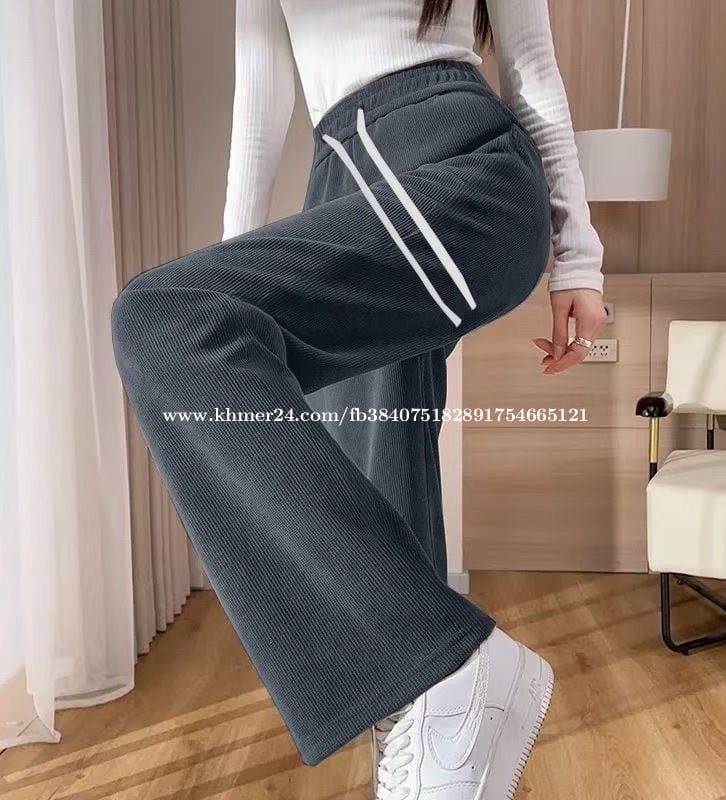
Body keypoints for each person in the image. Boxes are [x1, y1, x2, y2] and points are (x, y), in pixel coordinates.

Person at [110, 0, 607, 796]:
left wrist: (579, 259)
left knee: (165, 320)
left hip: (458, 160)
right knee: (373, 462)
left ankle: (457, 673)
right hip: (343, 176)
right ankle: (433, 727)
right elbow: (260, 105)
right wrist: (241, 274)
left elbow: (533, 69)